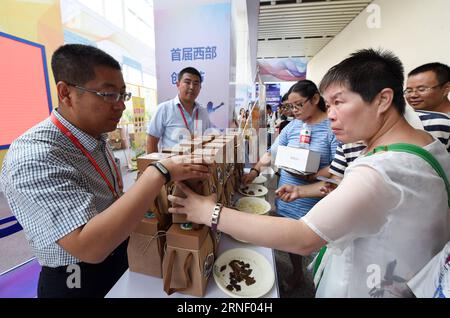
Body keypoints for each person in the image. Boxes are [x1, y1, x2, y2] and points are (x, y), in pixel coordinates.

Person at [168, 48, 450, 298]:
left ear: (383, 99)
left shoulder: (383, 169)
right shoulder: (429, 148)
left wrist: (209, 213)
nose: (332, 115)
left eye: (339, 102)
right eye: (329, 105)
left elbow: (303, 237)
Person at [0, 44, 209, 298]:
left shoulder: (95, 135)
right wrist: (159, 173)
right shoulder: (34, 156)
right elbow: (88, 246)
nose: (121, 106)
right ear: (66, 93)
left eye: (123, 95)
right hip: (74, 277)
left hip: (118, 251)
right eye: (109, 95)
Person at [242, 80, 338, 291]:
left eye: (298, 105)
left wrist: (316, 174)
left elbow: (339, 165)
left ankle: (321, 286)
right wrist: (256, 170)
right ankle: (296, 274)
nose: (293, 111)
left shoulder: (332, 127)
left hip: (315, 198)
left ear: (315, 99)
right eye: (290, 107)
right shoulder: (293, 126)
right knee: (291, 241)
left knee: (316, 245)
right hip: (287, 193)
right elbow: (272, 152)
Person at [146, 67, 211, 153]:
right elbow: (152, 142)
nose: (191, 87)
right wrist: (156, 166)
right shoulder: (164, 109)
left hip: (198, 163)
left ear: (200, 88)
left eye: (196, 84)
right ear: (178, 84)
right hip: (171, 164)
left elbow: (207, 140)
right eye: (187, 82)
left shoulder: (203, 112)